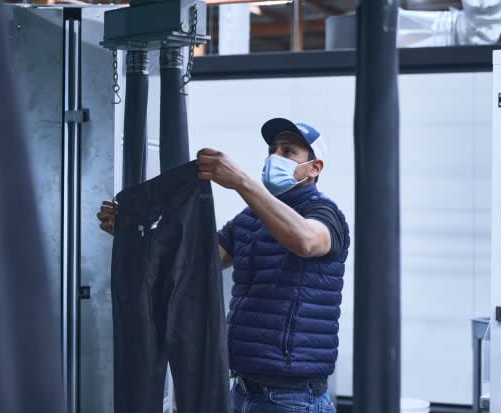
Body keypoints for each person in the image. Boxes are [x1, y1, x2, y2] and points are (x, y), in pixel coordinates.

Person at [98, 118, 350, 413]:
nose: (274, 157)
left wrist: (242, 182)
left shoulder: (325, 214)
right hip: (241, 393)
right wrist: (133, 233)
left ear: (314, 168)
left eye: (287, 151)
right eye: (272, 149)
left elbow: (305, 241)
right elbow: (194, 259)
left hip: (293, 399)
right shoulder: (248, 219)